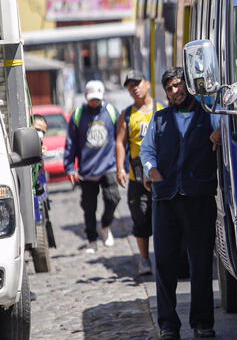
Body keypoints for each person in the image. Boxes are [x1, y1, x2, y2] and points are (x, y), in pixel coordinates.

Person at [140, 67, 221, 340]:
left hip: (199, 199)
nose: (175, 92)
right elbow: (147, 150)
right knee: (164, 263)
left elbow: (225, 128)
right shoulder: (160, 119)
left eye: (178, 86)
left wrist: (219, 133)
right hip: (166, 199)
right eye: (170, 88)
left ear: (188, 85)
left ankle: (202, 323)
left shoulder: (209, 116)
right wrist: (151, 169)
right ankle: (168, 325)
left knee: (200, 264)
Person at [64, 80, 121, 254]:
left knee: (113, 198)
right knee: (89, 208)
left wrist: (122, 166)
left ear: (102, 96)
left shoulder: (111, 112)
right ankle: (91, 240)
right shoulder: (78, 114)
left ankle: (105, 225)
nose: (94, 102)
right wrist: (70, 167)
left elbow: (120, 139)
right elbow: (71, 143)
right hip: (87, 170)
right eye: (91, 99)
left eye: (97, 98)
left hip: (108, 166)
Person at [115, 70, 164, 276]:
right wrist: (120, 168)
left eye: (137, 83)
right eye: (130, 85)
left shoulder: (161, 109)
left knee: (163, 218)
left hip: (160, 175)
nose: (134, 88)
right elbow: (120, 142)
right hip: (136, 176)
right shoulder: (127, 114)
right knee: (141, 219)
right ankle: (144, 259)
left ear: (147, 83)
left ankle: (164, 257)